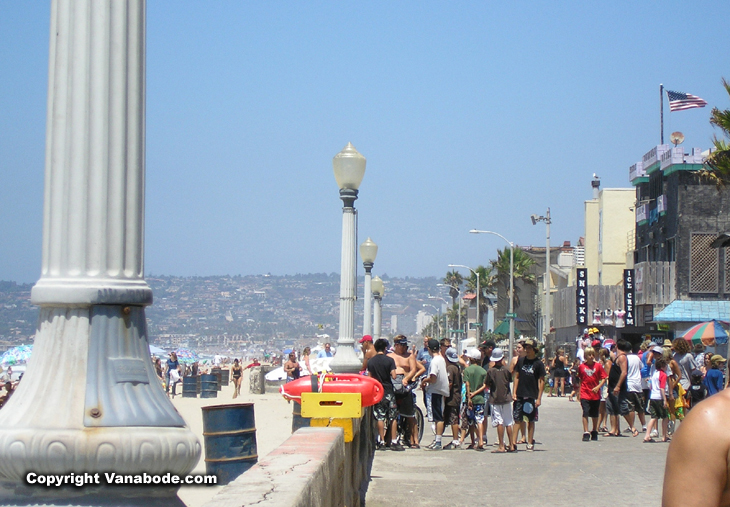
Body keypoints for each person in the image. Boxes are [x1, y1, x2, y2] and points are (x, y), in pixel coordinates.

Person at [387, 335, 426, 448]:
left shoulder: (409, 356)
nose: (405, 347)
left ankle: (415, 440)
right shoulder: (390, 356)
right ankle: (390, 439)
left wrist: (407, 378)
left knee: (410, 415)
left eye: (405, 345)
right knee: (392, 414)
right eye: (402, 345)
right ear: (396, 345)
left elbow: (414, 369)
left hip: (405, 385)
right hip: (393, 385)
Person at [512, 338, 545, 451]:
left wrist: (539, 398)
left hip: (531, 395)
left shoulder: (538, 363)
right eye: (526, 347)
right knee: (517, 419)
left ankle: (530, 442)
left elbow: (541, 381)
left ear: (534, 349)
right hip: (520, 394)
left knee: (530, 420)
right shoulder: (521, 361)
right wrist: (514, 392)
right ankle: (513, 443)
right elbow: (516, 376)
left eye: (529, 348)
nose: (527, 349)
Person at [367, 338, 401, 451]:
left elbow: (370, 378)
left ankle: (381, 441)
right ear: (385, 348)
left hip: (378, 392)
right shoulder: (389, 360)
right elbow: (394, 376)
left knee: (380, 417)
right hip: (389, 391)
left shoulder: (371, 362)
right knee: (393, 417)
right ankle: (394, 441)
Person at [605, 339, 639, 437]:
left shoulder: (622, 357)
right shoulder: (617, 357)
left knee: (622, 408)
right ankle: (614, 430)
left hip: (618, 387)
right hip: (612, 387)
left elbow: (624, 372)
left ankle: (633, 428)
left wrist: (618, 386)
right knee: (612, 408)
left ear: (617, 346)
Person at [421, 338, 449, 450]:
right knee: (438, 416)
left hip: (435, 391)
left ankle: (438, 441)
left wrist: (424, 381)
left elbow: (433, 378)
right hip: (441, 390)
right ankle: (437, 440)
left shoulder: (434, 361)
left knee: (438, 417)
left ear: (429, 349)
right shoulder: (441, 359)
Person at [485, 348, 514, 453]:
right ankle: (511, 445)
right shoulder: (507, 370)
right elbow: (509, 381)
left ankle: (501, 445)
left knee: (499, 422)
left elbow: (487, 384)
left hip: (495, 398)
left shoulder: (491, 371)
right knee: (508, 422)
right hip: (506, 398)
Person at [577, 347, 607, 441]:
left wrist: (598, 387)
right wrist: (579, 392)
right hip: (585, 392)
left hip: (595, 394)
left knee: (594, 414)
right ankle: (586, 431)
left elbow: (604, 377)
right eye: (589, 355)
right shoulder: (581, 367)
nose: (591, 357)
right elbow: (581, 379)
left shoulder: (598, 366)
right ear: (585, 356)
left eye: (593, 355)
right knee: (585, 412)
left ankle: (594, 430)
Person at [462, 348, 488, 451]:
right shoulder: (483, 371)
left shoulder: (467, 370)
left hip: (470, 399)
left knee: (471, 421)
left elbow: (467, 384)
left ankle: (473, 442)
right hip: (480, 398)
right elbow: (485, 385)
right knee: (480, 420)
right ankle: (481, 440)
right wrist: (476, 393)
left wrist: (469, 396)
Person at [644, 355, 670, 443]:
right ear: (663, 366)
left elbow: (651, 386)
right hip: (659, 397)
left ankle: (647, 435)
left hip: (652, 397)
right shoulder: (663, 375)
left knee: (653, 417)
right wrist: (665, 400)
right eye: (666, 365)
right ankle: (664, 436)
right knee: (665, 417)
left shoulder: (654, 374)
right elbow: (662, 388)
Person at [442, 347, 462, 449]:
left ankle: (455, 441)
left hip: (452, 397)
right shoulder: (457, 367)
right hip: (457, 396)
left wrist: (445, 395)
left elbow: (449, 383)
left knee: (453, 419)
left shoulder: (450, 368)